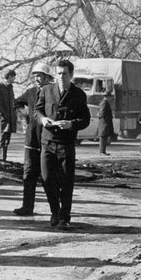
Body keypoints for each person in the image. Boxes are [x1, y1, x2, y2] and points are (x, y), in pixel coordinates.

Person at [34, 59, 90, 229]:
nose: (61, 77)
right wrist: (43, 120)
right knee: (46, 179)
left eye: (64, 74)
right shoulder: (46, 90)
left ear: (71, 75)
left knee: (66, 182)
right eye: (58, 73)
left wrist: (71, 124)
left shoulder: (79, 95)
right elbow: (37, 111)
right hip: (48, 142)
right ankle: (54, 212)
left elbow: (85, 120)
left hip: (66, 144)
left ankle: (64, 217)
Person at [13, 61, 54, 216]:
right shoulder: (30, 92)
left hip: (48, 139)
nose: (38, 79)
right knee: (29, 174)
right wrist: (23, 115)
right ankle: (27, 206)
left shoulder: (54, 92)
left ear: (47, 77)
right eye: (35, 76)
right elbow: (16, 102)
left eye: (40, 76)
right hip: (32, 139)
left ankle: (54, 210)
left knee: (48, 176)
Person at [0, 69, 18, 164]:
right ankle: (1, 159)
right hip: (3, 118)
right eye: (14, 77)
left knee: (6, 140)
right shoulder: (0, 86)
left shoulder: (11, 87)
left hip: (10, 118)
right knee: (2, 139)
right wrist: (2, 114)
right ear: (10, 76)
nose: (14, 79)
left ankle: (3, 159)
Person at [97, 92, 115, 157]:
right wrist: (106, 121)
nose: (111, 98)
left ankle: (103, 151)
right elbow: (102, 113)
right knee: (103, 137)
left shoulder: (104, 102)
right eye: (110, 96)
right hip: (104, 123)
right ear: (107, 96)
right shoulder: (104, 103)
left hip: (104, 122)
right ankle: (102, 152)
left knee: (104, 137)